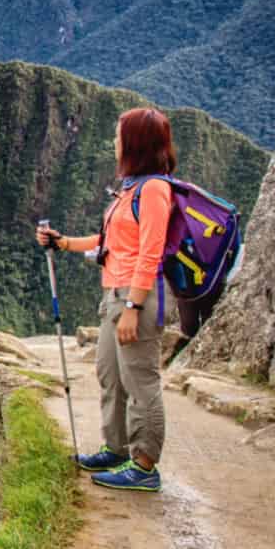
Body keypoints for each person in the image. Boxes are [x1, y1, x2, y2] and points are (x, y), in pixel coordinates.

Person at [34, 107, 175, 494]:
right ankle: (117, 449)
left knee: (140, 381)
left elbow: (151, 252)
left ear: (136, 144)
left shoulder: (155, 191)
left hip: (137, 299)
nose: (114, 143)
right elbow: (107, 243)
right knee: (110, 375)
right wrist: (63, 244)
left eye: (119, 136)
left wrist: (133, 306)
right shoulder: (130, 190)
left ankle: (145, 466)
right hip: (114, 295)